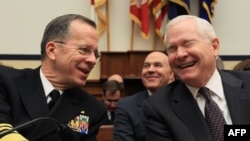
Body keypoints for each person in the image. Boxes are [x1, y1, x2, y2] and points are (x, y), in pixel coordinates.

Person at [143, 15, 250, 141]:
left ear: (214, 47)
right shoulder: (158, 108)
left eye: (187, 44)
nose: (180, 54)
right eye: (172, 49)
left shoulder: (247, 83)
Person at [0, 14, 107, 141]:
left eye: (96, 54)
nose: (93, 60)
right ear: (52, 50)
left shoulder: (92, 109)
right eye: (84, 50)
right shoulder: (6, 82)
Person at [113, 51, 175, 141]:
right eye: (146, 66)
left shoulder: (184, 103)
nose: (150, 70)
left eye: (158, 65)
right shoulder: (126, 106)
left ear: (171, 75)